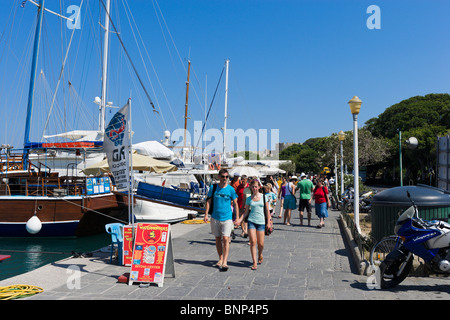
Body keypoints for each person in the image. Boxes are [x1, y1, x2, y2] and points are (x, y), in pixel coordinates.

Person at [204, 168, 239, 271]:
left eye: (226, 177)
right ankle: (220, 258)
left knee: (226, 238)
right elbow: (208, 201)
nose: (225, 179)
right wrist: (206, 214)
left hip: (227, 217)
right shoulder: (213, 187)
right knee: (218, 238)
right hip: (215, 217)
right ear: (219, 177)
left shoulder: (231, 189)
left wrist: (237, 218)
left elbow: (236, 203)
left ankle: (225, 261)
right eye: (223, 177)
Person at [235, 179, 272, 270]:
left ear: (259, 187)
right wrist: (239, 220)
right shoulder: (249, 199)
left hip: (261, 222)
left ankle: (260, 254)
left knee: (261, 243)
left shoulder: (264, 197)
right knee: (253, 242)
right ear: (250, 188)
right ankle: (254, 262)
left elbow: (267, 210)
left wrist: (268, 222)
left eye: (256, 186)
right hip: (251, 221)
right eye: (253, 187)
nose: (254, 188)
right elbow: (246, 212)